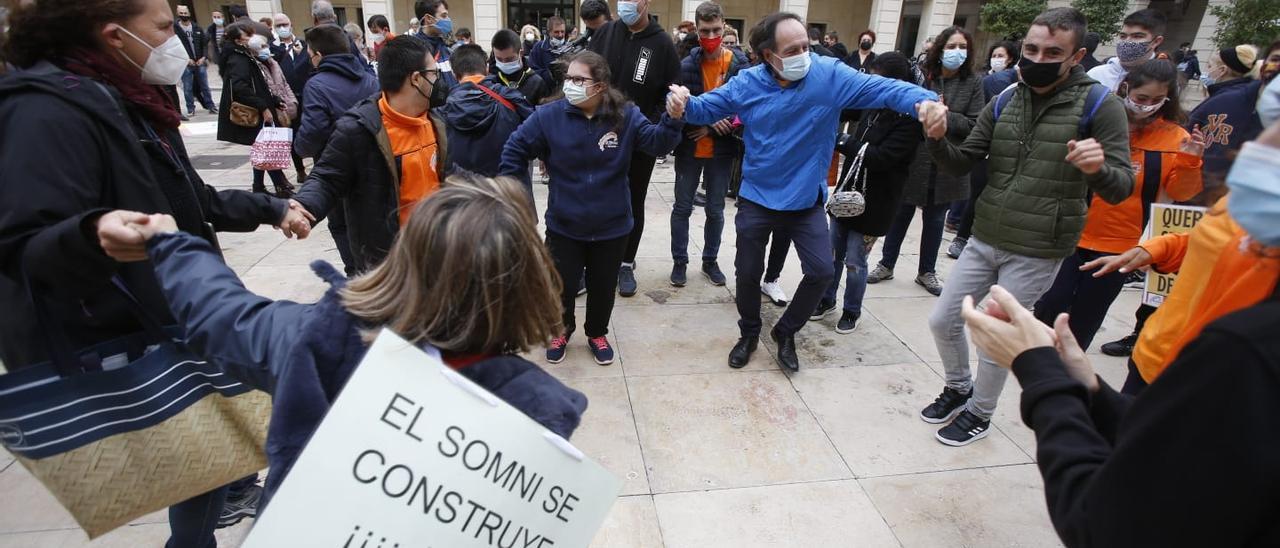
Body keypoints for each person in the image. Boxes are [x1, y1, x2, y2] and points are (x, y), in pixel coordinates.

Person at [0, 0, 312, 545]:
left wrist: (269, 209)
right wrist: (92, 233)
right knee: (198, 467)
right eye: (166, 28)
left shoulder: (131, 99)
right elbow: (22, 241)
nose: (180, 43)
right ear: (116, 36)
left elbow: (187, 198)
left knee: (208, 464)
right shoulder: (46, 110)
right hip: (127, 335)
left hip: (177, 312)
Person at [122, 174, 589, 511]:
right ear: (528, 280)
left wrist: (172, 245)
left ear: (404, 255)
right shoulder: (536, 406)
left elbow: (221, 315)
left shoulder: (321, 340)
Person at [668, 11, 944, 372]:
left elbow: (884, 89)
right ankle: (749, 332)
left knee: (820, 271)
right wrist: (682, 102)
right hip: (757, 196)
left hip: (805, 200)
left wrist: (923, 102)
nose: (804, 54)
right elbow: (706, 108)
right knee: (747, 272)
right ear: (769, 55)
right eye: (793, 48)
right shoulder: (748, 82)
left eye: (806, 45)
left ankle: (786, 331)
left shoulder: (828, 75)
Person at [919, 7, 1134, 447]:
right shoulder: (1005, 100)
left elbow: (1120, 187)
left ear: (1076, 56)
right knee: (944, 320)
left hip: (1038, 246)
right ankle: (959, 387)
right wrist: (937, 138)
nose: (1037, 58)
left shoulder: (1100, 105)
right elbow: (964, 160)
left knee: (997, 335)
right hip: (986, 234)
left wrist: (1097, 169)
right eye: (1031, 49)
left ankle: (980, 411)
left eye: (1052, 52)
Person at [959, 277, 1280, 547]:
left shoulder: (1247, 346)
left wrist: (1039, 373)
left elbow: (1104, 524)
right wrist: (1092, 391)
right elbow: (1185, 446)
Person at [500, 51, 683, 366]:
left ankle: (596, 332)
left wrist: (673, 117)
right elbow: (514, 149)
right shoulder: (548, 116)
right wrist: (514, 193)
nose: (569, 84)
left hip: (612, 224)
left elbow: (658, 143)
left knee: (602, 286)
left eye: (578, 79)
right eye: (568, 78)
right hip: (564, 224)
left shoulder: (625, 116)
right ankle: (561, 328)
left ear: (599, 86)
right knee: (561, 284)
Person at [1082, 121, 1280, 395]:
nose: (1248, 145)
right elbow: (1210, 238)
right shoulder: (1252, 197)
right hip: (1158, 351)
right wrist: (1158, 248)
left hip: (1208, 381)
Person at [1034, 60, 1204, 352]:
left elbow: (1181, 192)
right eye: (1141, 98)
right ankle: (1036, 356)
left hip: (1121, 246)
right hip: (1071, 232)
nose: (1147, 106)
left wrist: (1190, 161)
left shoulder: (1176, 138)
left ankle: (1067, 369)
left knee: (1086, 315)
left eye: (1156, 100)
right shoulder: (1102, 122)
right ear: (1126, 90)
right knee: (1049, 303)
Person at [292, 35, 451, 273]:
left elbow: (446, 173)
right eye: (434, 73)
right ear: (416, 79)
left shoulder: (434, 121)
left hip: (434, 251)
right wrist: (303, 206)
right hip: (388, 263)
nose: (439, 80)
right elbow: (326, 178)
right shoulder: (360, 129)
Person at [864, 25, 982, 298]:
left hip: (947, 162)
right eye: (951, 47)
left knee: (935, 220)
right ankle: (886, 263)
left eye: (962, 47)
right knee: (900, 214)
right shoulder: (923, 78)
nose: (957, 52)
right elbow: (905, 110)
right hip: (914, 159)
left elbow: (974, 123)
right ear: (940, 50)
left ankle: (926, 271)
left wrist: (941, 114)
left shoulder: (974, 82)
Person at [821, 52, 923, 334]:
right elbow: (842, 108)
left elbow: (880, 157)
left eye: (876, 79)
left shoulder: (910, 119)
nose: (869, 84)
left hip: (878, 201)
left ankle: (851, 311)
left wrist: (843, 140)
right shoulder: (871, 104)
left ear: (896, 84)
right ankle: (826, 299)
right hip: (848, 194)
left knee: (855, 261)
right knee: (832, 253)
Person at [587, 0, 682, 298]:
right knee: (596, 196)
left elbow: (670, 90)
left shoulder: (661, 43)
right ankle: (593, 262)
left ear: (646, 3)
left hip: (639, 137)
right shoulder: (605, 33)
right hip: (597, 132)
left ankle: (625, 263)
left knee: (633, 199)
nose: (625, 5)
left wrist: (648, 125)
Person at [668, 2, 745, 288]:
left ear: (724, 26)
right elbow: (677, 108)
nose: (710, 35)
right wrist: (704, 124)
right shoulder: (687, 65)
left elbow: (744, 107)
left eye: (715, 29)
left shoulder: (739, 65)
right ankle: (680, 262)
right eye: (704, 31)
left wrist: (712, 128)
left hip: (721, 152)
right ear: (697, 30)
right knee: (682, 208)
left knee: (715, 210)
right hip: (690, 148)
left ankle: (710, 261)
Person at [947, 39, 1021, 256]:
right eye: (995, 54)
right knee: (974, 194)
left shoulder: (1004, 84)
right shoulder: (997, 87)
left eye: (1002, 56)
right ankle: (961, 236)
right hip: (985, 150)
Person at [217, 23, 296, 197]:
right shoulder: (238, 59)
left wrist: (273, 101)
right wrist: (263, 106)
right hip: (254, 110)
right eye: (247, 35)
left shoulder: (244, 55)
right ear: (238, 40)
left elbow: (257, 85)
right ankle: (279, 185)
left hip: (260, 106)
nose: (251, 38)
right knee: (266, 146)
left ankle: (260, 185)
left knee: (262, 147)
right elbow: (241, 87)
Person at [440, 44, 534, 177]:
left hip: (463, 191)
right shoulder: (512, 99)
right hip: (509, 190)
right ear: (487, 68)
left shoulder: (441, 110)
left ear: (454, 75)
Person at [271, 12, 312, 180]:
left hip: (307, 95)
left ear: (291, 25)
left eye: (284, 24)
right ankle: (300, 170)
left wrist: (302, 53)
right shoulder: (273, 48)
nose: (282, 28)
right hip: (286, 99)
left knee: (311, 129)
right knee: (292, 134)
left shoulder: (303, 44)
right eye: (278, 25)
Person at [1087, 9, 1166, 92]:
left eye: (1137, 36)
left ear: (1156, 41)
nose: (1127, 42)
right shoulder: (1096, 74)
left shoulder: (1165, 79)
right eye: (1123, 36)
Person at [488, 28, 552, 106]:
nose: (504, 63)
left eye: (509, 59)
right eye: (499, 59)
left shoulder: (537, 82)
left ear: (521, 53)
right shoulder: (490, 82)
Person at [174, 5, 216, 116]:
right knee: (187, 87)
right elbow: (175, 47)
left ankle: (211, 106)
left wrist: (204, 57)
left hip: (199, 61)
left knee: (204, 85)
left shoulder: (197, 28)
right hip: (185, 63)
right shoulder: (175, 30)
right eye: (181, 13)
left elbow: (204, 45)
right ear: (178, 14)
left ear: (189, 13)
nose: (183, 15)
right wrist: (186, 59)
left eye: (185, 13)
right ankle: (190, 108)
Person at [413, 0, 457, 88]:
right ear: (428, 18)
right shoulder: (414, 49)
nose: (448, 20)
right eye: (444, 16)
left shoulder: (447, 47)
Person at [528, 15, 567, 84]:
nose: (560, 35)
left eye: (562, 31)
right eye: (556, 32)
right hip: (545, 90)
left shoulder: (570, 47)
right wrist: (550, 75)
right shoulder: (539, 47)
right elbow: (531, 71)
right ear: (549, 32)